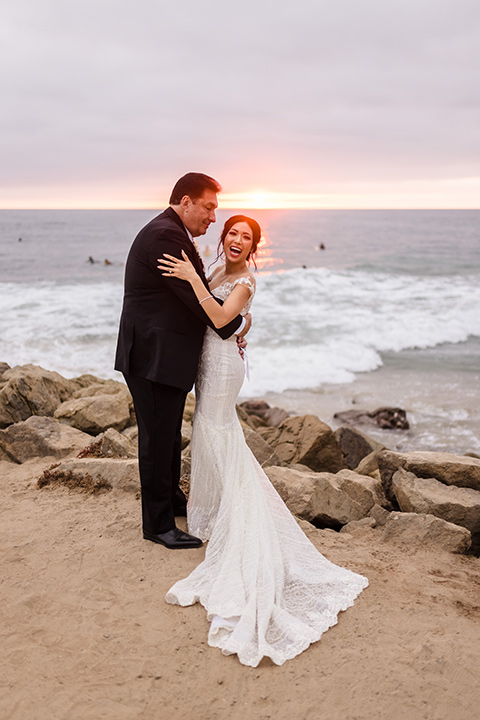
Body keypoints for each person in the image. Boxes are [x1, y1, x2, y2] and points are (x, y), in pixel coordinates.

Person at [157, 216, 368, 667]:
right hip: (207, 362)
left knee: (218, 431)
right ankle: (212, 512)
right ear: (223, 238)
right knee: (209, 434)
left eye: (245, 238)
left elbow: (217, 317)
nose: (236, 240)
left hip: (222, 368)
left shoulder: (245, 282)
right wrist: (210, 292)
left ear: (254, 247)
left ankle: (229, 516)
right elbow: (210, 315)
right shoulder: (215, 268)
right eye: (231, 233)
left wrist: (204, 288)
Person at [115, 173, 251, 550]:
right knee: (158, 440)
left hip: (161, 355)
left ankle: (171, 499)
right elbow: (199, 301)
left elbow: (194, 295)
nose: (212, 217)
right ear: (186, 201)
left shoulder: (171, 230)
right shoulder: (166, 236)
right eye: (208, 208)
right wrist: (239, 324)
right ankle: (158, 525)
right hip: (153, 357)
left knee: (169, 434)